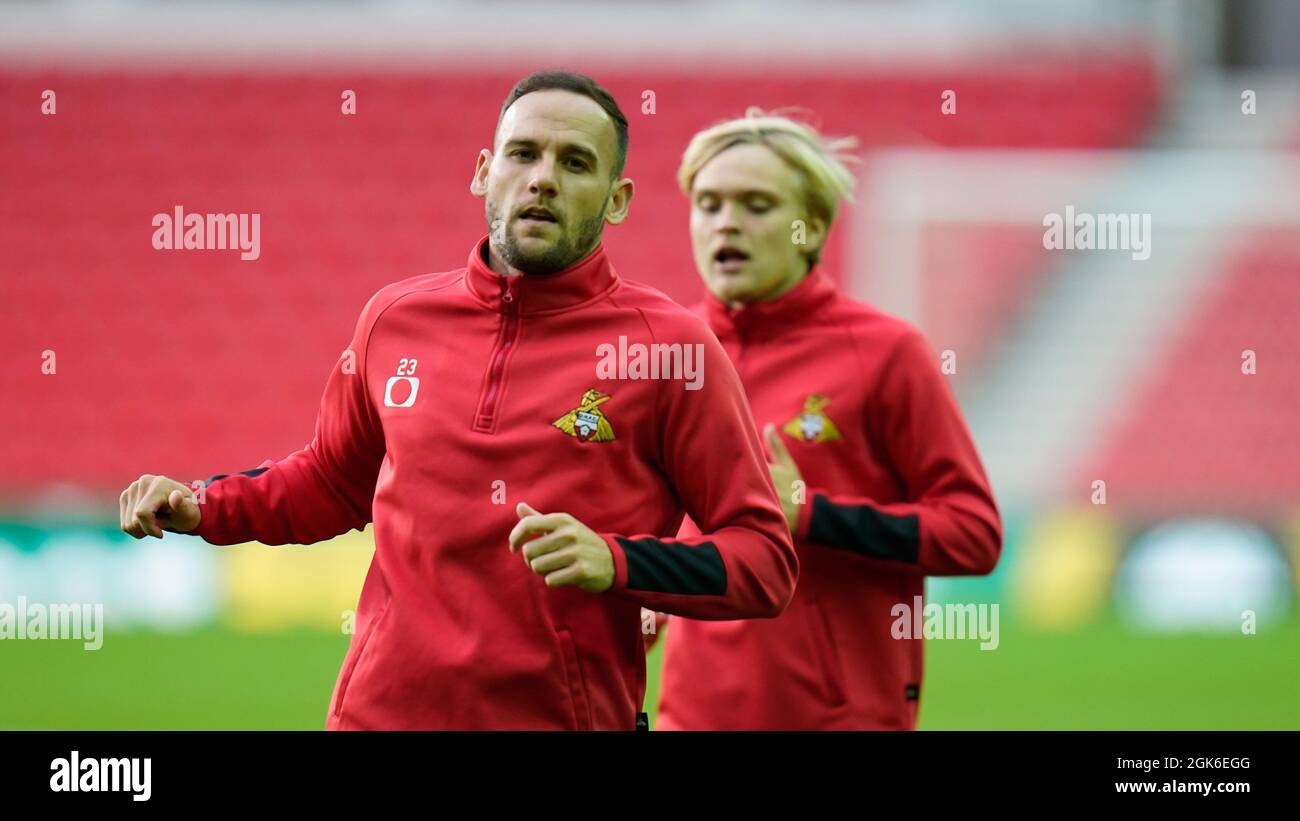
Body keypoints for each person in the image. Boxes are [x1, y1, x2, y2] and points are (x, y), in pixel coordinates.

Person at [118, 73, 797, 730]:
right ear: (483, 170)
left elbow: (764, 560)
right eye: (523, 153)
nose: (543, 178)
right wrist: (203, 504)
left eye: (575, 161)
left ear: (616, 199)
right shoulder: (395, 317)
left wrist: (619, 562)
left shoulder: (671, 347)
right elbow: (331, 481)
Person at [653, 110, 1001, 730]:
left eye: (756, 204)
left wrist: (810, 514)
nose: (726, 222)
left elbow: (974, 535)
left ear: (809, 226)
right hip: (692, 714)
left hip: (841, 717)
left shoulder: (886, 352)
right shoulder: (665, 352)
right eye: (708, 204)